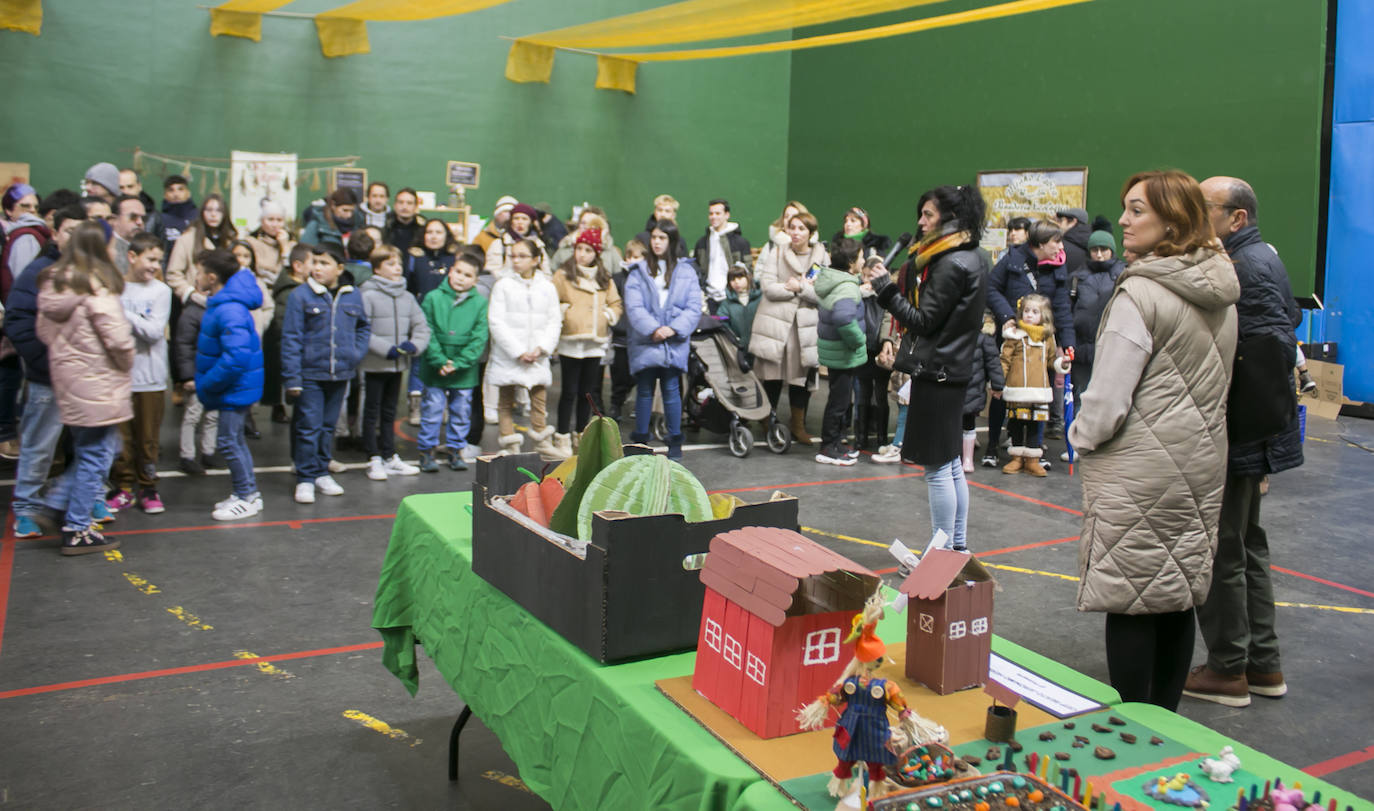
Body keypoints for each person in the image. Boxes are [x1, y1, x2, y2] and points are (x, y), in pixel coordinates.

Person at [1069, 169, 1240, 710]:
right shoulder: (1222, 292)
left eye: (1138, 209)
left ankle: (1134, 734)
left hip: (1140, 470)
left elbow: (1106, 402)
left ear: (1173, 219)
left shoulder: (1140, 293)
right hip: (1200, 463)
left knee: (1132, 598)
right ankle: (1167, 728)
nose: (1123, 219)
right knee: (1174, 595)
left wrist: (1080, 436)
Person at [1183, 176, 1305, 707]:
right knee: (1247, 546)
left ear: (1237, 217)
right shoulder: (1264, 261)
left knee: (1223, 550)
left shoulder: (1241, 268)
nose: (1194, 218)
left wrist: (1239, 444)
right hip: (1254, 434)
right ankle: (1262, 664)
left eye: (1203, 208)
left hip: (1239, 435)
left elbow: (1257, 356)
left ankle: (1229, 666)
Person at [870, 184, 988, 551]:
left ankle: (942, 553)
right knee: (951, 465)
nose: (921, 223)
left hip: (936, 372)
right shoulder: (975, 255)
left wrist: (886, 292)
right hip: (953, 369)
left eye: (929, 215)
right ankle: (957, 547)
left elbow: (923, 321)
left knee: (938, 469)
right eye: (921, 214)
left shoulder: (950, 263)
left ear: (951, 219)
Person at [35, 221, 135, 555]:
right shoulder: (96, 286)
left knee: (94, 448)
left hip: (71, 380)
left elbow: (44, 334)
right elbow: (119, 340)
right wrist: (123, 363)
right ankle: (76, 527)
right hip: (98, 381)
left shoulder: (55, 285)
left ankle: (58, 503)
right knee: (98, 452)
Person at [7, 204, 93, 538]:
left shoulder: (91, 271)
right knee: (39, 447)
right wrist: (48, 363)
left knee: (91, 447)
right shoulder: (38, 273)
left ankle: (85, 500)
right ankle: (26, 509)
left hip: (86, 381)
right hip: (49, 380)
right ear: (55, 233)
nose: (75, 238)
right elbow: (19, 321)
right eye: (69, 230)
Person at [282, 242, 371, 504]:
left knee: (327, 426)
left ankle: (321, 471)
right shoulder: (300, 296)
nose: (317, 268)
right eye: (314, 263)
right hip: (310, 374)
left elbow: (363, 326)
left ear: (339, 268)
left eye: (324, 263)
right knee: (308, 426)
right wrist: (293, 378)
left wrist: (355, 353)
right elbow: (291, 339)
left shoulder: (352, 295)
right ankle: (306, 477)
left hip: (340, 373)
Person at [983, 219, 1076, 466]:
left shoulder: (1058, 266)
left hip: (1041, 343)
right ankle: (993, 445)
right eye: (1056, 241)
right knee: (1003, 392)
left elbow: (1062, 306)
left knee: (1037, 396)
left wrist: (1067, 342)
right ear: (1041, 243)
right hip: (1013, 338)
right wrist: (1007, 318)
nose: (1060, 247)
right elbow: (991, 289)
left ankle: (1033, 448)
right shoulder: (1013, 260)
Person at [194, 249, 267, 521]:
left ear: (212, 277)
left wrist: (208, 383)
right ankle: (247, 493)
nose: (196, 277)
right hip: (235, 388)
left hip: (233, 389)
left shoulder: (229, 309)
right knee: (234, 440)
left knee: (229, 442)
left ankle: (246, 495)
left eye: (199, 272)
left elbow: (236, 356)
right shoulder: (224, 303)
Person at [623, 220, 702, 460]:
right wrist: (654, 329)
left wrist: (672, 329)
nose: (657, 242)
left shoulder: (687, 271)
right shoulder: (637, 272)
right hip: (647, 341)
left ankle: (675, 444)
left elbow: (693, 307)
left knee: (671, 390)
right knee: (645, 390)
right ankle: (641, 446)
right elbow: (633, 306)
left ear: (672, 241)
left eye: (662, 238)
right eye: (654, 237)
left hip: (673, 342)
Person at [750, 209, 827, 447]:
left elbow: (824, 293)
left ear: (811, 233)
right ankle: (768, 420)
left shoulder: (822, 257)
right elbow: (768, 287)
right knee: (771, 376)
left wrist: (801, 289)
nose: (795, 232)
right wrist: (794, 288)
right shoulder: (777, 251)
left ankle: (798, 425)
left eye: (801, 228)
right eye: (791, 227)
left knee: (801, 379)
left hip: (805, 327)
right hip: (776, 324)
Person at [106, 232, 172, 513]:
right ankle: (123, 487)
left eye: (159, 260)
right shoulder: (116, 288)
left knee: (147, 438)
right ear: (132, 257)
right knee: (121, 438)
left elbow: (154, 331)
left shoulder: (161, 291)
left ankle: (148, 487)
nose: (155, 266)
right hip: (120, 377)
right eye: (150, 259)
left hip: (151, 378)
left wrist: (122, 312)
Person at [359, 245, 430, 479]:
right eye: (390, 263)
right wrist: (385, 349)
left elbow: (421, 327)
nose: (397, 267)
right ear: (377, 268)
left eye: (399, 263)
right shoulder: (367, 295)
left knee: (389, 411)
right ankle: (373, 457)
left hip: (398, 365)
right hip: (375, 364)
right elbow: (361, 330)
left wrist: (414, 345)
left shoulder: (407, 297)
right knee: (372, 411)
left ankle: (389, 456)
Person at [486, 238, 561, 458]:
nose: (516, 260)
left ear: (536, 260)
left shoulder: (547, 288)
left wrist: (541, 348)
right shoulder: (502, 285)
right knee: (506, 401)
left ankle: (541, 441)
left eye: (522, 256)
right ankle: (509, 445)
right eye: (513, 256)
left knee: (539, 400)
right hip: (509, 355)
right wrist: (518, 352)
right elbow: (496, 321)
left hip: (537, 355)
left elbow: (554, 321)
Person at [552, 228, 623, 454]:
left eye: (588, 250)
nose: (582, 254)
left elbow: (615, 303)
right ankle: (562, 435)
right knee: (568, 391)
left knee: (587, 392)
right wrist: (567, 313)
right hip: (570, 341)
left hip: (595, 342)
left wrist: (605, 317)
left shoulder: (604, 277)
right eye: (579, 249)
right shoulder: (563, 275)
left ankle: (581, 435)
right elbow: (552, 301)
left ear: (596, 253)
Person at [416, 250, 488, 472]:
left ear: (475, 280)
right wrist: (440, 361)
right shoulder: (432, 298)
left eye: (467, 275)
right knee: (432, 410)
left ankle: (456, 450)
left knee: (461, 412)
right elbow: (427, 331)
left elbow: (479, 337)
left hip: (464, 372)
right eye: (458, 271)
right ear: (450, 271)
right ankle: (427, 451)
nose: (460, 277)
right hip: (434, 369)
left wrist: (458, 363)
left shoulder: (480, 303)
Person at [813, 238, 868, 466]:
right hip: (843, 354)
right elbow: (843, 318)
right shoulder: (846, 286)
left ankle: (834, 442)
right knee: (839, 402)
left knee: (838, 400)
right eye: (861, 257)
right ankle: (828, 447)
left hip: (835, 352)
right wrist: (859, 340)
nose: (863, 261)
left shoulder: (833, 280)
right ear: (851, 262)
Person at [999, 293, 1067, 477]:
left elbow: (1053, 361)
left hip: (1039, 390)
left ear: (1043, 316)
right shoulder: (1014, 336)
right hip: (1017, 389)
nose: (1029, 315)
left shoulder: (1047, 338)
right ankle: (1016, 458)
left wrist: (1063, 363)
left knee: (1035, 424)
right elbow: (1004, 360)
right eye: (1026, 311)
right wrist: (998, 382)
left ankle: (1032, 459)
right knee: (1016, 423)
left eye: (1034, 312)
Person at [1066, 219, 1125, 413]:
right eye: (1094, 250)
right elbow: (1067, 311)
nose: (1099, 254)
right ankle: (1076, 443)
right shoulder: (1076, 277)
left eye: (1103, 249)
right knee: (1080, 400)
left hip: (1111, 347)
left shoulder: (1123, 275)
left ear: (1111, 250)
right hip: (1081, 347)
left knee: (1109, 401)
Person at [173, 263, 219, 476]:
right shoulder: (191, 313)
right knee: (193, 414)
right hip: (198, 373)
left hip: (214, 372)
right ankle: (187, 455)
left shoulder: (216, 308)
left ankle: (208, 452)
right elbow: (182, 345)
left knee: (212, 415)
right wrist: (187, 375)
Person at [166, 193, 236, 306]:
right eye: (209, 210)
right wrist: (191, 293)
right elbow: (173, 274)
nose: (213, 215)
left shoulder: (231, 240)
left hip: (224, 302)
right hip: (194, 302)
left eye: (218, 211)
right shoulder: (187, 239)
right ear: (202, 213)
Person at [856, 256, 895, 453]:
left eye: (871, 277)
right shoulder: (857, 293)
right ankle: (860, 436)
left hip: (880, 350)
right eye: (864, 276)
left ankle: (881, 437)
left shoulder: (887, 295)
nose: (867, 281)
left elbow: (890, 318)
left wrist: (887, 341)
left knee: (880, 395)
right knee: (862, 394)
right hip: (862, 349)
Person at [962, 311, 1004, 472]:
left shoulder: (984, 339)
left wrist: (998, 385)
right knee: (955, 423)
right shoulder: (955, 337)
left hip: (973, 389)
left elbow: (994, 363)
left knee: (969, 423)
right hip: (956, 387)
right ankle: (956, 457)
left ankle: (967, 459)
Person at [606, 240, 644, 420]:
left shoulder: (648, 279)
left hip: (641, 336)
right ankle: (616, 405)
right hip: (621, 337)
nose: (631, 260)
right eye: (629, 256)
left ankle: (637, 403)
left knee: (637, 374)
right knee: (619, 375)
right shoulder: (617, 278)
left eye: (636, 257)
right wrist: (618, 326)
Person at [692, 198, 752, 311]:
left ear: (727, 215)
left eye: (718, 213)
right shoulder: (702, 243)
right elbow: (696, 269)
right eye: (711, 213)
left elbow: (748, 270)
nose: (713, 216)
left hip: (732, 298)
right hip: (709, 298)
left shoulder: (741, 242)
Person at [484, 202, 548, 276]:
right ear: (511, 221)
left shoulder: (538, 245)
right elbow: (492, 273)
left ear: (530, 223)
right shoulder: (500, 244)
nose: (520, 222)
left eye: (524, 219)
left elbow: (546, 273)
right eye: (516, 218)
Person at [718, 262, 761, 353]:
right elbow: (722, 322)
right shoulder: (727, 304)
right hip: (740, 350)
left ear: (748, 277)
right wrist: (734, 339)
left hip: (761, 348)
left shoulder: (760, 299)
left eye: (740, 278)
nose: (736, 282)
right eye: (732, 279)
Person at [246, 199, 295, 277]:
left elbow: (291, 272)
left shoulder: (291, 245)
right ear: (262, 221)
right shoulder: (251, 243)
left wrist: (285, 246)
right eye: (270, 219)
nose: (275, 224)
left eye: (279, 220)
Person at [118, 168, 165, 244]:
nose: (125, 191)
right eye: (121, 188)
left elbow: (162, 250)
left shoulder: (154, 217)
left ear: (139, 186)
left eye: (130, 186)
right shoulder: (109, 213)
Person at [159, 175, 198, 256]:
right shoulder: (159, 219)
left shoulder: (198, 217)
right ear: (165, 195)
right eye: (171, 190)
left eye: (181, 189)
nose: (176, 194)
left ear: (188, 193)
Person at [382, 187, 425, 254]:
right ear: (395, 206)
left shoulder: (423, 230)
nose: (404, 207)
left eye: (409, 203)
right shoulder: (386, 228)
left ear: (416, 207)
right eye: (401, 202)